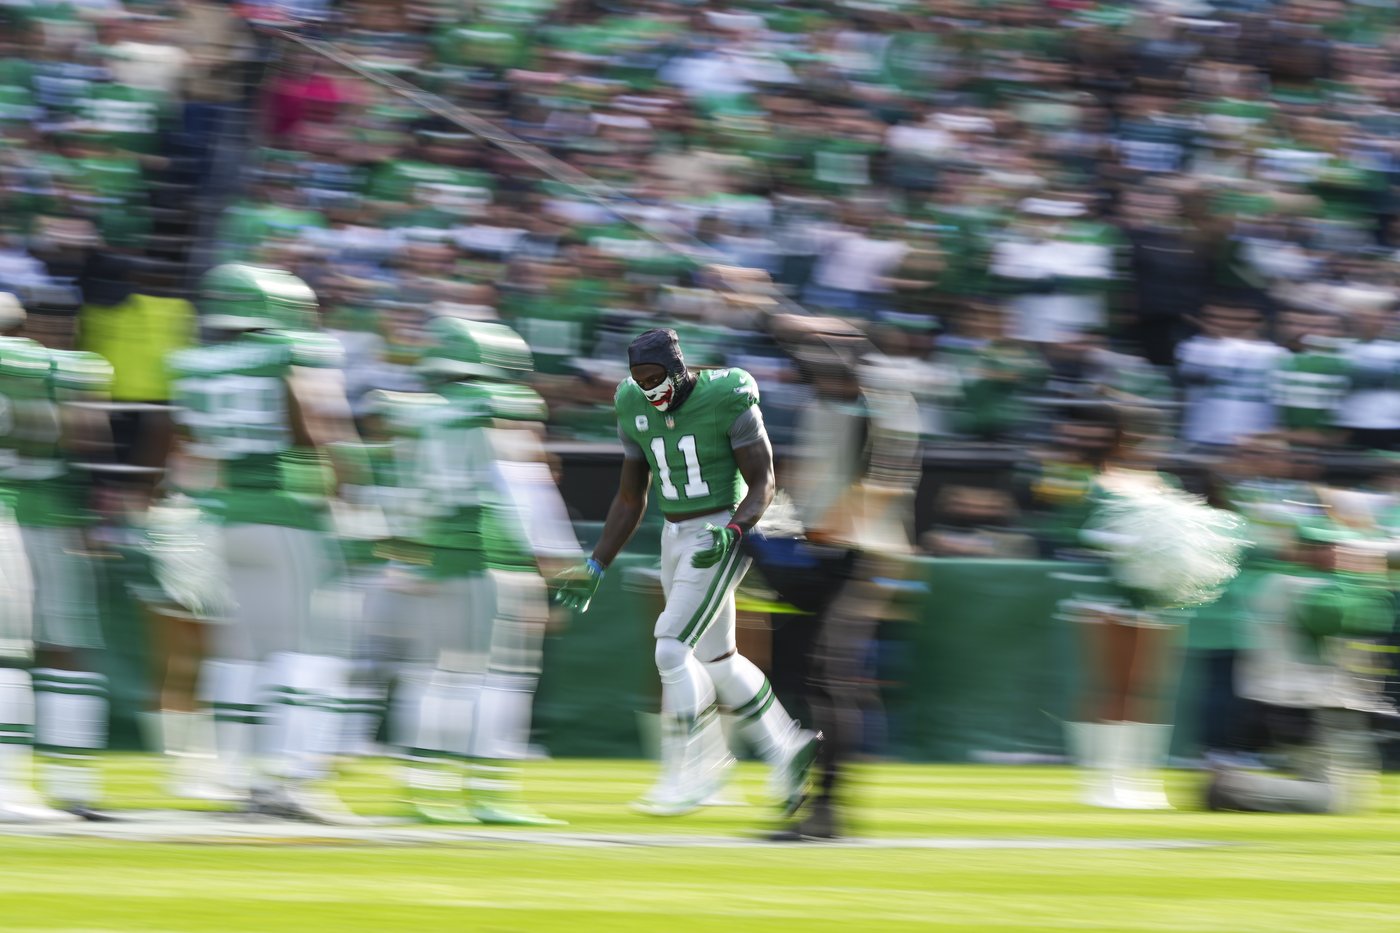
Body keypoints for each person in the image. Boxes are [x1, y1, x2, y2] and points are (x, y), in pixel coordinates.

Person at [554, 327, 819, 817]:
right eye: (640, 379)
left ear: (679, 370)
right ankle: (785, 745)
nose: (650, 389)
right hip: (673, 533)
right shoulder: (632, 404)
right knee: (718, 659)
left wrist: (735, 531)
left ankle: (695, 771)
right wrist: (597, 561)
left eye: (656, 378)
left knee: (671, 647)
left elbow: (764, 483)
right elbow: (632, 496)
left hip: (721, 527)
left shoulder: (726, 394)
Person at [167, 263, 362, 823]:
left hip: (224, 516)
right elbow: (317, 429)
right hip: (287, 516)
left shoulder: (196, 363)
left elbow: (187, 442)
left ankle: (237, 777)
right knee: (310, 649)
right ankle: (290, 781)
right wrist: (351, 493)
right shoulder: (288, 352)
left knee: (240, 654)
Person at [372, 317, 579, 825]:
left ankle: (422, 791)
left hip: (439, 555)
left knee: (431, 676)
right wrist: (557, 558)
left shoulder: (419, 414)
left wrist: (409, 553)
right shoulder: (501, 407)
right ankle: (490, 793)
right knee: (504, 678)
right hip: (495, 557)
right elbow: (526, 486)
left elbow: (402, 492)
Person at [1207, 521, 1395, 813]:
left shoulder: (1275, 580)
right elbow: (1356, 618)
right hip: (1314, 704)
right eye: (1335, 548)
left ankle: (1237, 786)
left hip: (1288, 701)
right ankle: (1233, 787)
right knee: (1335, 797)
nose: (1343, 555)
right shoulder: (1313, 588)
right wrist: (1369, 578)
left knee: (1327, 784)